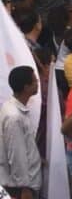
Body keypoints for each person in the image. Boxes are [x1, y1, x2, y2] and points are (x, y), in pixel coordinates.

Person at [0, 66, 41, 199]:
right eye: (35, 81)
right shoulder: (14, 117)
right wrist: (24, 188)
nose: (38, 83)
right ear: (26, 87)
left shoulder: (13, 109)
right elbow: (16, 155)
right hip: (18, 190)